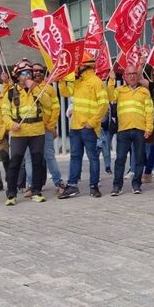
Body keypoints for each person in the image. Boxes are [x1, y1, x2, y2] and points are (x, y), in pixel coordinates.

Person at [58, 53, 108, 199]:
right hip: (75, 127)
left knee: (92, 157)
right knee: (75, 157)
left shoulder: (96, 82)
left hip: (88, 128)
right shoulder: (78, 82)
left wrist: (92, 123)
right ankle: (72, 186)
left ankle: (94, 187)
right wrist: (61, 79)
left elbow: (104, 104)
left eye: (78, 65)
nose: (76, 67)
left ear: (85, 66)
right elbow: (65, 92)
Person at [3, 62, 52, 205]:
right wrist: (12, 125)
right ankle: (11, 194)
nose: (28, 76)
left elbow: (48, 104)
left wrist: (35, 89)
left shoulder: (38, 90)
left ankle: (37, 191)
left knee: (38, 162)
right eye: (24, 73)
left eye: (29, 73)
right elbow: (4, 113)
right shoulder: (11, 93)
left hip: (37, 131)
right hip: (19, 133)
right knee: (15, 163)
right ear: (18, 77)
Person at [107, 66, 154, 195]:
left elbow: (149, 111)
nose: (132, 76)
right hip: (123, 129)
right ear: (125, 77)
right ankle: (117, 186)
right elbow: (110, 96)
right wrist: (111, 80)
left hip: (140, 129)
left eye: (134, 73)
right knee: (120, 159)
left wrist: (149, 128)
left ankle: (137, 184)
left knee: (139, 159)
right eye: (129, 74)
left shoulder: (144, 92)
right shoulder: (119, 91)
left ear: (137, 76)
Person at [32, 63, 63, 192]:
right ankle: (31, 185)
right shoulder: (25, 87)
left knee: (49, 156)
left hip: (46, 128)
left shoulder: (49, 88)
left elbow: (56, 108)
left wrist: (52, 126)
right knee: (31, 157)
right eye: (35, 71)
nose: (37, 73)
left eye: (40, 70)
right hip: (32, 128)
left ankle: (58, 182)